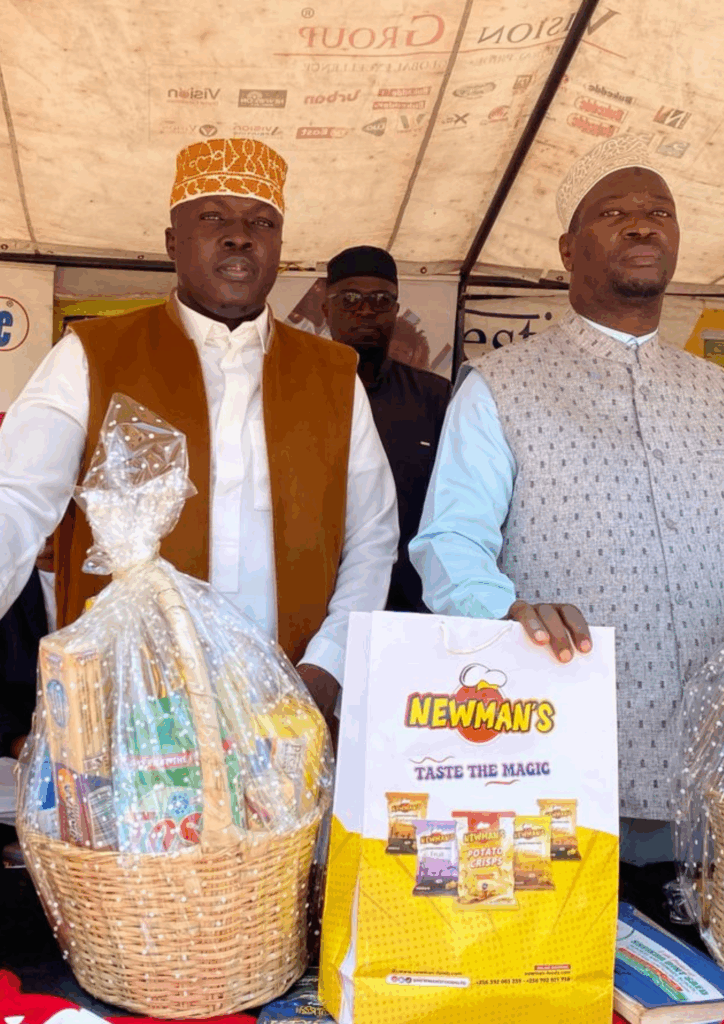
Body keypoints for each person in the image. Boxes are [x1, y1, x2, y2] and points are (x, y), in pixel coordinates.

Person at [0, 138, 398, 732]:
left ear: (279, 249)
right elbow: (15, 499)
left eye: (261, 222)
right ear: (172, 242)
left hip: (287, 709)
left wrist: (329, 665)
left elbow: (372, 534)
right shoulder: (92, 354)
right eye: (213, 217)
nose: (240, 235)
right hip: (128, 708)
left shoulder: (334, 375)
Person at [410, 135, 724, 859]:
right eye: (614, 212)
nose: (643, 226)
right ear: (566, 249)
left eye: (660, 212)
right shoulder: (501, 387)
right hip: (566, 768)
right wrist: (503, 613)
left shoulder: (715, 392)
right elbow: (450, 543)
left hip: (714, 774)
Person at [322, 246, 450, 612]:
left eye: (381, 300)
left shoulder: (434, 396)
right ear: (325, 309)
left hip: (410, 605)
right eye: (350, 299)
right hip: (317, 599)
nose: (366, 310)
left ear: (395, 311)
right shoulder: (295, 391)